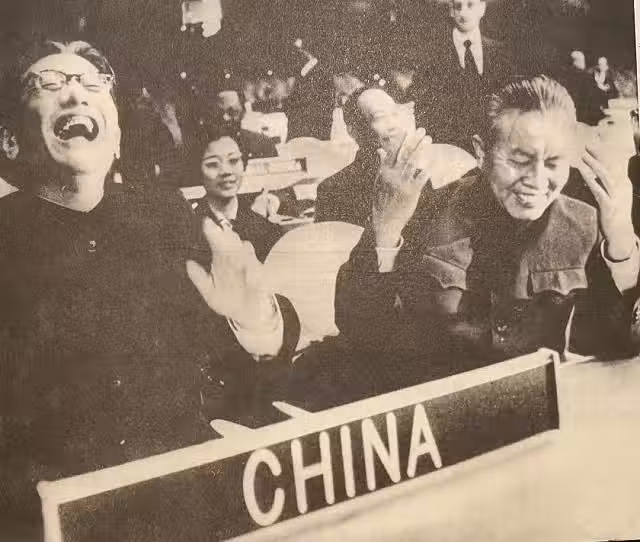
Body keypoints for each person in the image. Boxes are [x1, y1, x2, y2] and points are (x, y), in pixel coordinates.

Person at [0, 40, 299, 539]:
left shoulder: (163, 215)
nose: (75, 94)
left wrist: (253, 323)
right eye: (49, 85)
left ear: (116, 135)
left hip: (184, 503)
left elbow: (240, 382)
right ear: (9, 140)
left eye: (92, 85)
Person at [335, 75, 639, 394]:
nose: (537, 180)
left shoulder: (587, 223)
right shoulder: (421, 215)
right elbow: (361, 335)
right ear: (481, 152)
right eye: (519, 161)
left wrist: (621, 243)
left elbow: (625, 341)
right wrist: (384, 232)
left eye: (553, 163)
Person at [412, 0, 514, 151]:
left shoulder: (499, 52)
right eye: (458, 7)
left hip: (491, 145)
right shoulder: (433, 53)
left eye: (470, 5)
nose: (463, 13)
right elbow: (422, 103)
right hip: (449, 147)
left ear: (482, 9)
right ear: (451, 11)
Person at [315, 86, 424, 226]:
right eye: (379, 117)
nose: (393, 125)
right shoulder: (334, 190)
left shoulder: (421, 180)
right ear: (353, 131)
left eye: (395, 114)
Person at [190, 124, 282, 262]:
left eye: (233, 161)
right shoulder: (188, 231)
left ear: (243, 164)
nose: (226, 171)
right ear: (198, 170)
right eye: (213, 164)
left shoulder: (266, 230)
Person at [200, 82, 279, 160]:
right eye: (219, 113)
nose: (225, 118)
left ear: (243, 113)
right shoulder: (201, 147)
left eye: (232, 112)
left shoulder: (262, 144)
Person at [561, 50, 603, 126]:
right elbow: (597, 98)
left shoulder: (565, 78)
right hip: (587, 121)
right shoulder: (588, 78)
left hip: (570, 119)